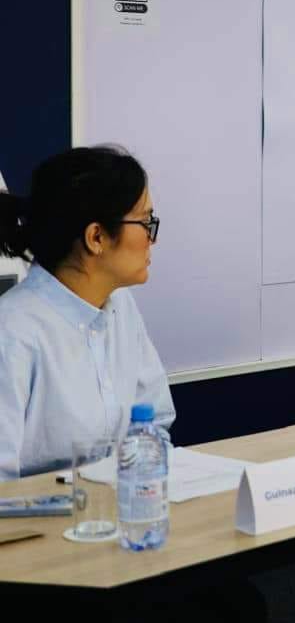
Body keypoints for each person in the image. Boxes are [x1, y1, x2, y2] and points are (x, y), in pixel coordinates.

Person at [0, 146, 174, 480]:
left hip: (119, 505)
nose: (152, 238)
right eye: (145, 222)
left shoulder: (122, 307)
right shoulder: (13, 332)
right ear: (96, 237)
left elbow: (155, 425)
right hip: (46, 512)